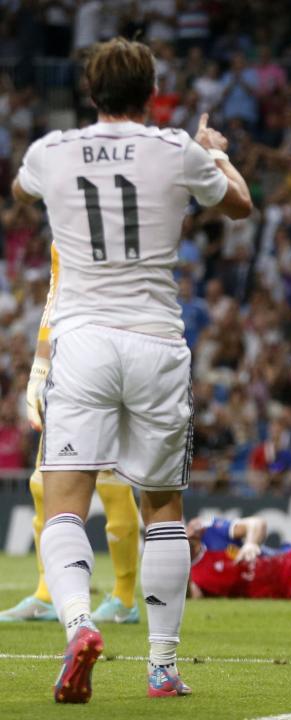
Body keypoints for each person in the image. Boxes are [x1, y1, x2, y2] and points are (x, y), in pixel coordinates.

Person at [11, 37, 251, 703]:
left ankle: (80, 626)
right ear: (153, 94)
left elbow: (20, 187)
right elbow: (239, 206)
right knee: (163, 508)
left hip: (81, 343)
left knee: (62, 503)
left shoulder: (50, 151)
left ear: (90, 93)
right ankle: (162, 668)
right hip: (155, 343)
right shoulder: (177, 149)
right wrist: (217, 153)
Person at [0, 242, 140, 626]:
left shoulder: (128, 220)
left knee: (113, 480)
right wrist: (41, 366)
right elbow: (54, 295)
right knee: (43, 482)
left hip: (118, 361)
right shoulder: (65, 230)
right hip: (71, 362)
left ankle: (125, 598)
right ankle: (47, 593)